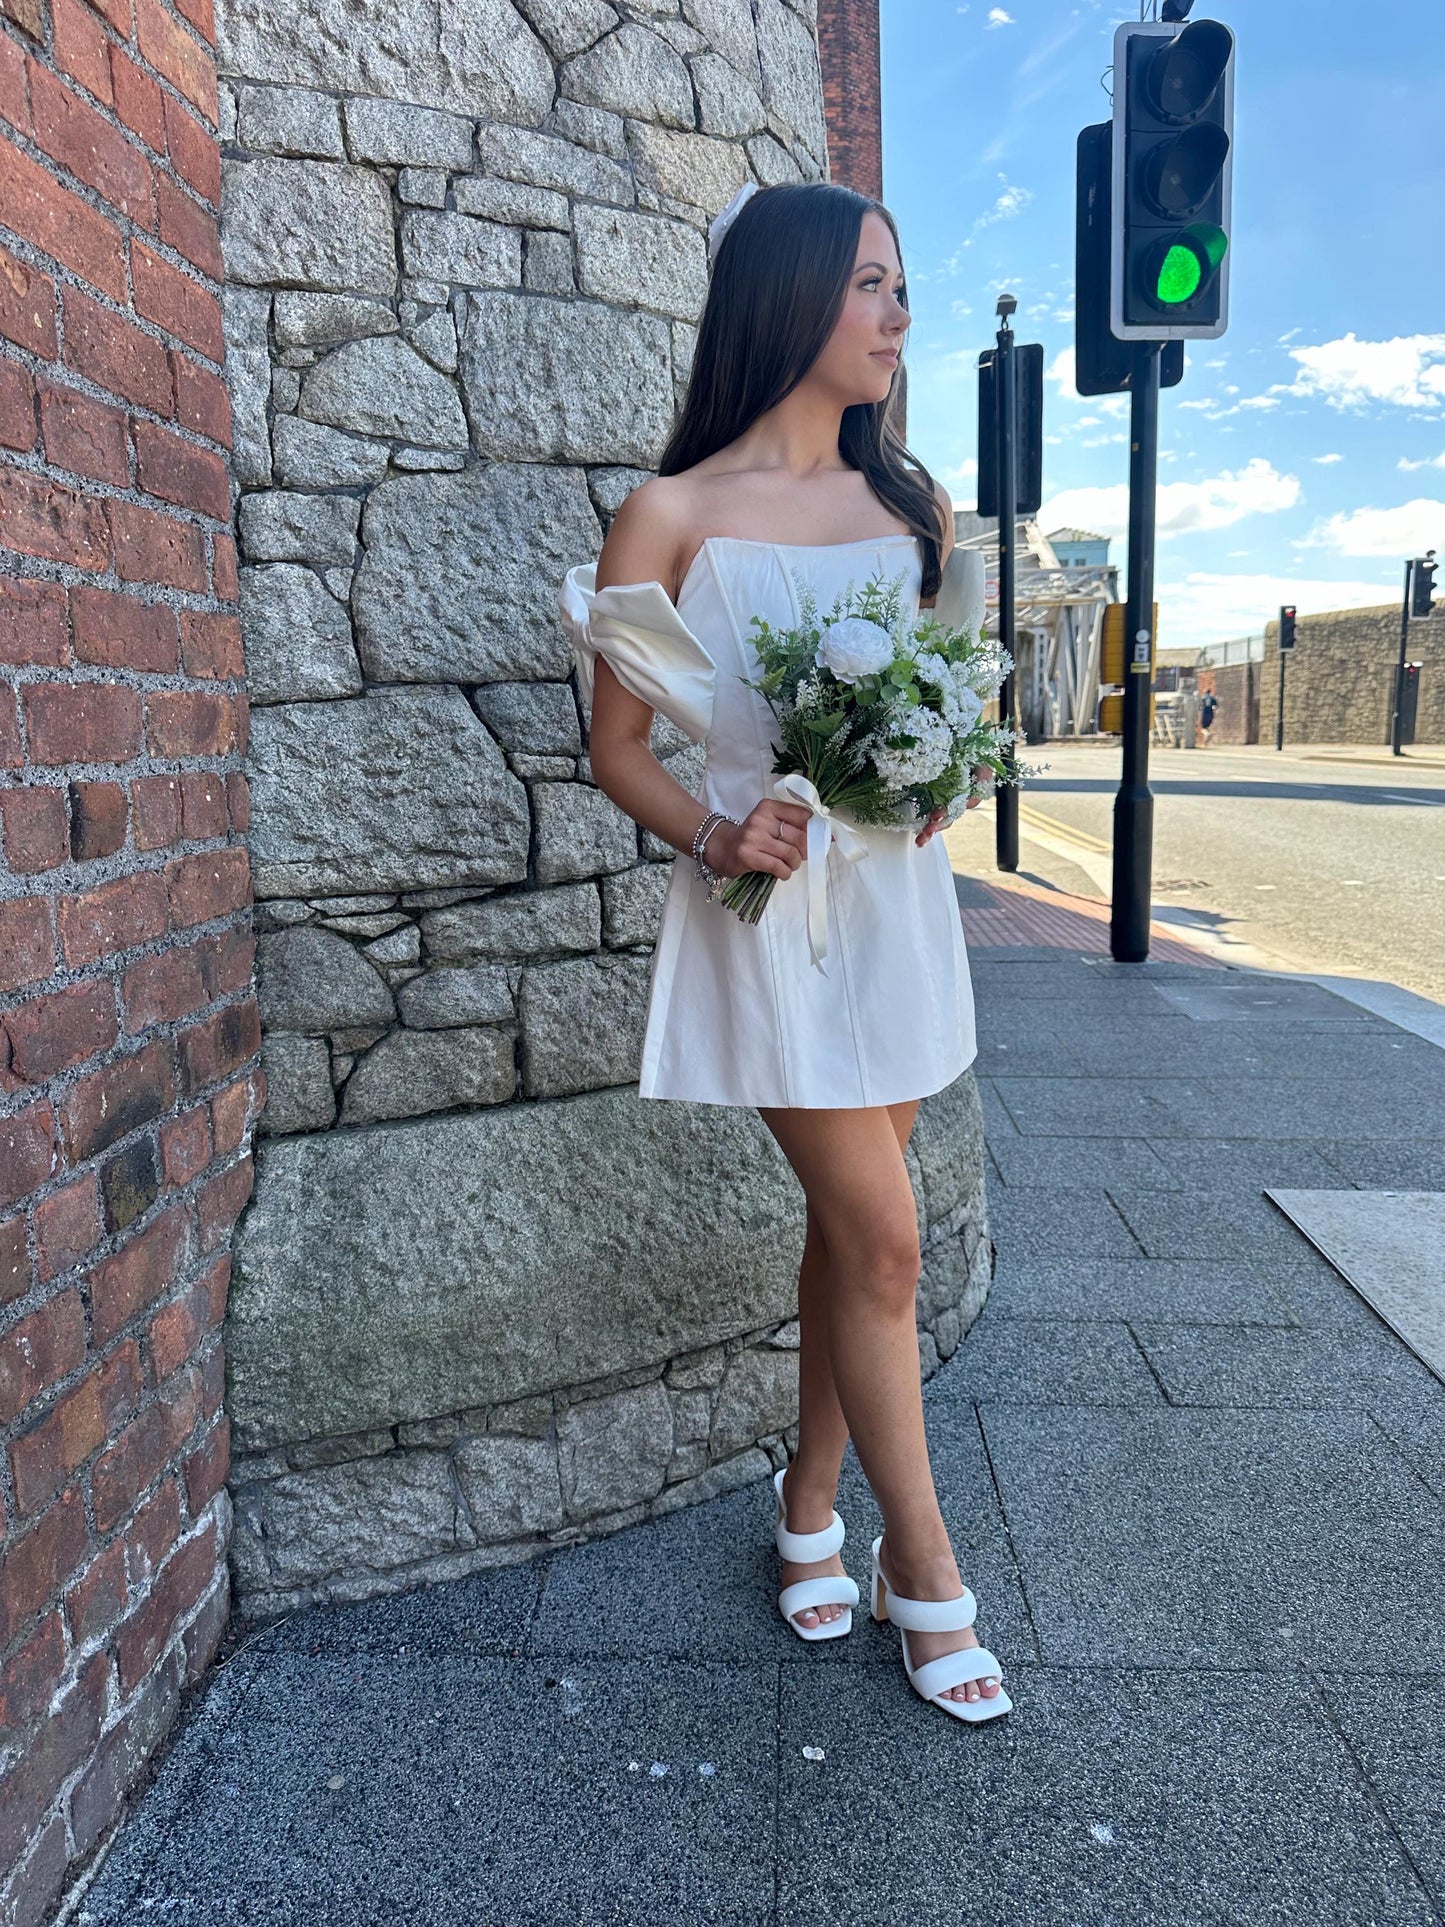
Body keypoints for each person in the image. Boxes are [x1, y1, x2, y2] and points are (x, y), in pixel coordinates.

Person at [557, 181, 1009, 1723]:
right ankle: (924, 1575)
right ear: (792, 294)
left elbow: (946, 706)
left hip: (889, 913)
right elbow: (616, 748)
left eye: (904, 288)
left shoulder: (909, 511)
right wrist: (713, 831)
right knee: (888, 1243)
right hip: (765, 911)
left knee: (848, 1233)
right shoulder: (669, 516)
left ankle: (806, 1506)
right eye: (873, 284)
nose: (898, 316)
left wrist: (942, 778)